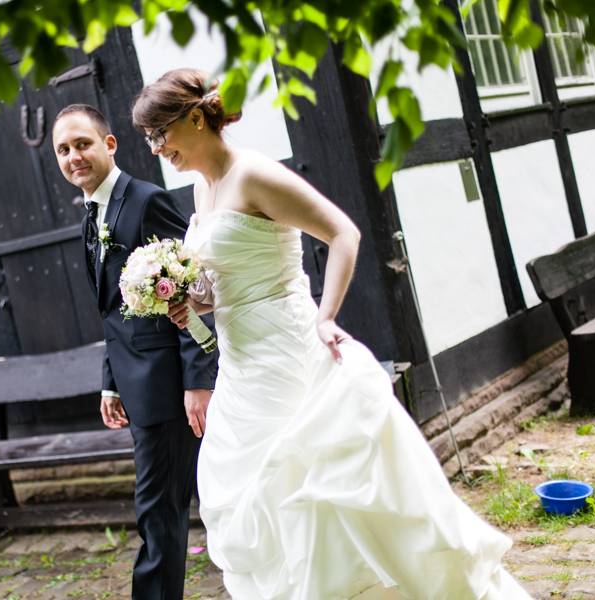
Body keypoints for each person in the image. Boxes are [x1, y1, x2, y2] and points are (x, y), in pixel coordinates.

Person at [131, 69, 530, 600]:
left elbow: (343, 233)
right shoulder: (203, 192)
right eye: (150, 139)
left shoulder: (254, 174)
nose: (158, 149)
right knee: (263, 498)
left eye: (161, 134)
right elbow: (223, 284)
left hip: (285, 352)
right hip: (241, 364)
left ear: (197, 117)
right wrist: (193, 303)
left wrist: (326, 315)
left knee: (313, 489)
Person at [51, 103, 218, 600]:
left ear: (109, 144)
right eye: (63, 149)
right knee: (160, 507)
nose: (73, 156)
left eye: (82, 143)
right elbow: (112, 311)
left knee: (159, 509)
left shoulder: (146, 201)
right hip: (136, 383)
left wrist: (196, 382)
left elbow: (186, 293)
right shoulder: (90, 214)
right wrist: (111, 380)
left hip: (168, 385)